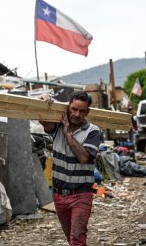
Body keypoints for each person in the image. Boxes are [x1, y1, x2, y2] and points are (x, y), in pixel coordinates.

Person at [39, 90, 101, 246]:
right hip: (59, 195)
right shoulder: (57, 125)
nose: (77, 114)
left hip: (81, 194)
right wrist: (42, 100)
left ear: (88, 112)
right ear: (68, 107)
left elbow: (84, 157)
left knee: (77, 239)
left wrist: (67, 133)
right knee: (72, 239)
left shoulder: (92, 131)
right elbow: (43, 119)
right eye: (74, 109)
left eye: (82, 111)